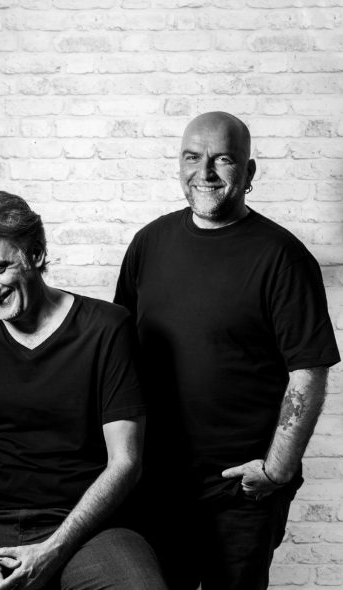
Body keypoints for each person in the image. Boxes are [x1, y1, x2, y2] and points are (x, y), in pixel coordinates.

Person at [114, 112, 340, 590]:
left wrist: (276, 470)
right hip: (156, 485)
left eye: (223, 159)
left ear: (249, 171)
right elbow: (121, 355)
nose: (206, 172)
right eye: (192, 158)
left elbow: (308, 371)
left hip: (240, 490)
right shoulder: (149, 243)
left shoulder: (282, 257)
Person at [0, 191, 169, 590]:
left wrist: (54, 549)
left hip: (88, 525)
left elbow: (125, 462)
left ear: (37, 254)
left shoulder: (107, 328)